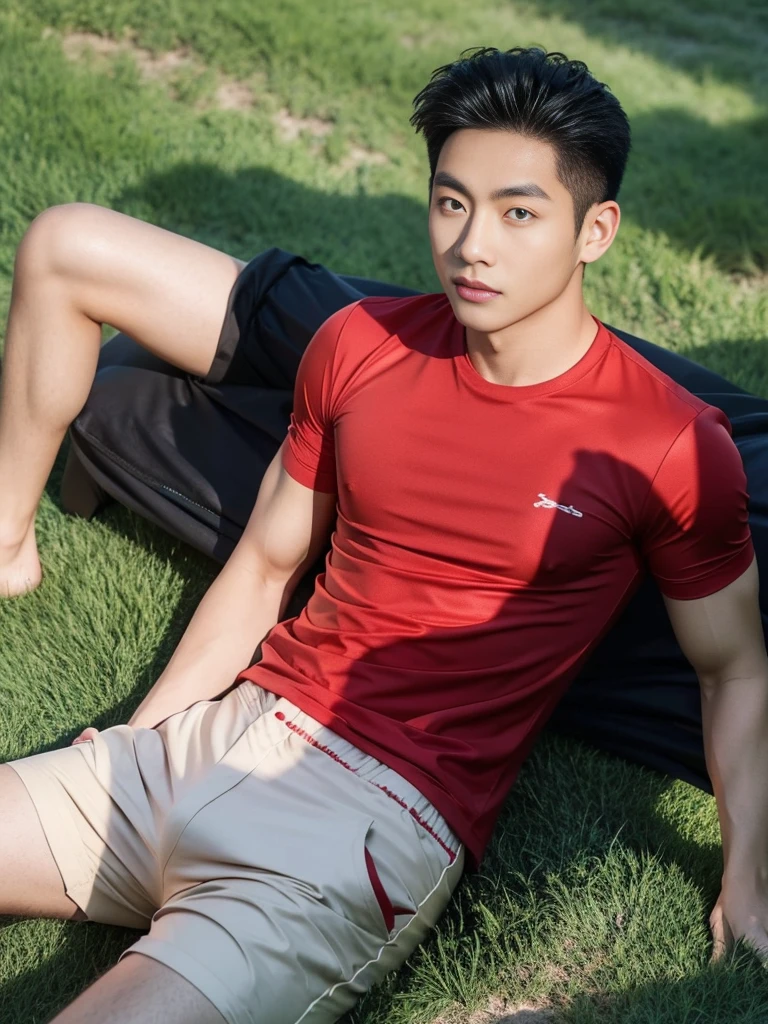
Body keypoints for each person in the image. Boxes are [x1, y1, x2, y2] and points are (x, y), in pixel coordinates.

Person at [0, 44, 767, 1024]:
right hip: (220, 732)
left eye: (518, 212)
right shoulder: (360, 345)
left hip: (366, 829)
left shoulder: (666, 443)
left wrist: (747, 879)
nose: (471, 245)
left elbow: (733, 670)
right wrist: (144, 742)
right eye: (451, 202)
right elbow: (269, 561)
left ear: (596, 230)